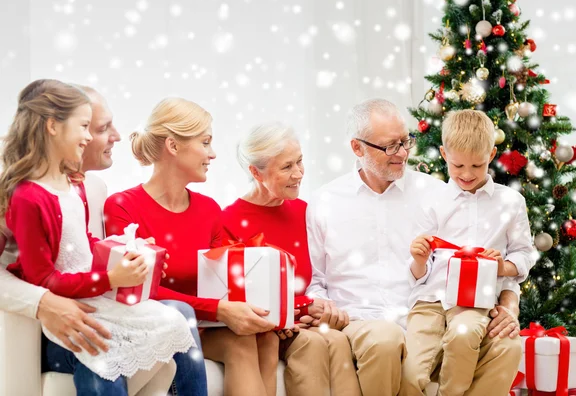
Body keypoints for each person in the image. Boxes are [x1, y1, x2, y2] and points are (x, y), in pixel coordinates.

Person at [305, 98, 523, 396]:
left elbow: (490, 253)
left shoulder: (437, 193)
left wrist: (510, 304)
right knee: (385, 340)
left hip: (434, 316)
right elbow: (316, 282)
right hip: (363, 320)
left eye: (406, 141)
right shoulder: (325, 201)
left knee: (507, 346)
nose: (403, 153)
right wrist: (321, 305)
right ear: (358, 148)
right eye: (390, 146)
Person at [0, 79, 196, 395]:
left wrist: (129, 249)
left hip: (89, 298)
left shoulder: (80, 185)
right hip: (52, 320)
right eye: (89, 126)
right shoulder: (23, 194)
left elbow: (83, 244)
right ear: (53, 127)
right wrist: (103, 280)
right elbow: (45, 274)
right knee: (101, 349)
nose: (102, 136)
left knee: (177, 323)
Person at [104, 97, 281, 396]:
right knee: (241, 345)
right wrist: (219, 310)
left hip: (205, 323)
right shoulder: (123, 207)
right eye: (206, 142)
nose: (212, 154)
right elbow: (139, 289)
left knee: (266, 337)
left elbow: (227, 280)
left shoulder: (208, 209)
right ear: (173, 146)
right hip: (157, 327)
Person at [221, 122, 361, 396]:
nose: (298, 174)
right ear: (255, 172)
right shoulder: (229, 221)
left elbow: (320, 276)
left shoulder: (304, 211)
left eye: (299, 162)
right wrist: (302, 309)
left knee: (337, 340)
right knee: (313, 345)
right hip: (265, 331)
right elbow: (236, 298)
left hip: (303, 323)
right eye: (287, 167)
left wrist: (316, 310)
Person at [402, 109, 534, 396]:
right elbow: (416, 274)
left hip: (475, 301)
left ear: (492, 154)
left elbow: (525, 254)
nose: (466, 174)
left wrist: (504, 268)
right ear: (443, 153)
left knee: (464, 335)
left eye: (477, 165)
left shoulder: (510, 202)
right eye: (458, 165)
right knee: (410, 373)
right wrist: (419, 259)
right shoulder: (431, 201)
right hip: (430, 300)